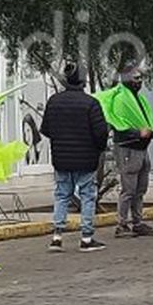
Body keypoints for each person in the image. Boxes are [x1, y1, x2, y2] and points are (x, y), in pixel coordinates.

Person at [39, 63, 110, 252]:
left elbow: (45, 129)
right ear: (83, 81)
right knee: (87, 196)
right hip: (86, 158)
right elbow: (100, 132)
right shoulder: (91, 103)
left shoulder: (54, 101)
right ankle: (86, 238)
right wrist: (98, 148)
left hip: (61, 158)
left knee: (62, 195)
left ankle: (57, 236)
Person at [104, 62, 153, 238]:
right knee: (129, 188)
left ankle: (138, 222)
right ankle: (121, 225)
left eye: (140, 78)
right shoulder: (122, 99)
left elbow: (142, 120)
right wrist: (138, 132)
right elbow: (120, 125)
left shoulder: (139, 99)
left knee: (140, 188)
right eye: (136, 78)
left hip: (141, 147)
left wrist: (150, 132)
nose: (139, 81)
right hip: (128, 148)